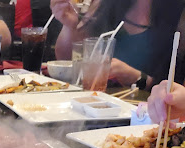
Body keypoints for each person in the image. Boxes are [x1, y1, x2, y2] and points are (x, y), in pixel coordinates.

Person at [50, 0, 185, 89]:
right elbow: (67, 59)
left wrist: (137, 78)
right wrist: (69, 26)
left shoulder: (179, 13)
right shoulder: (105, 4)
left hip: (145, 115)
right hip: (95, 106)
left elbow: (178, 95)